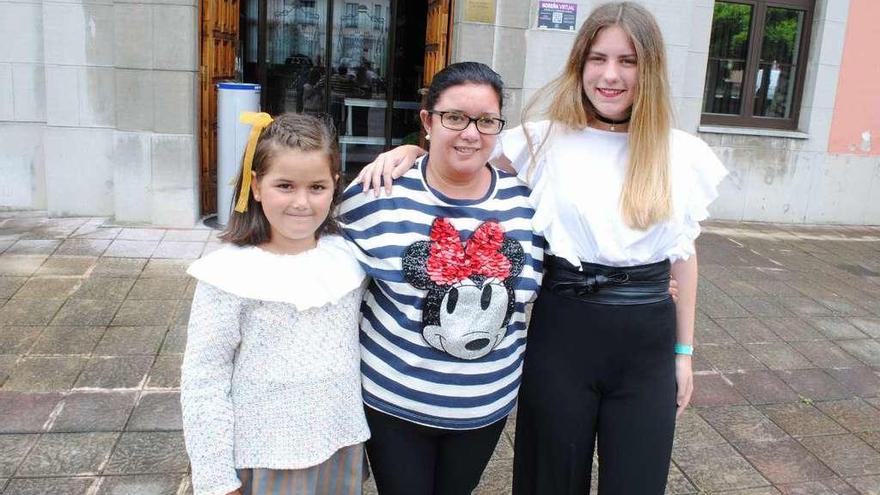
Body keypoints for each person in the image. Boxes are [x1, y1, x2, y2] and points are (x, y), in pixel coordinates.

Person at [355, 2, 728, 493]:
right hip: (564, 328)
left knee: (637, 479)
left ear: (651, 68)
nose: (610, 75)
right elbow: (467, 150)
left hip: (647, 339)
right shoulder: (540, 141)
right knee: (548, 478)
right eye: (598, 58)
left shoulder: (682, 154)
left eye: (628, 61)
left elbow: (684, 254)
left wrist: (684, 352)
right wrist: (411, 151)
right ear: (580, 64)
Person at [337, 62, 544, 495]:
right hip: (394, 404)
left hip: (484, 408)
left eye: (485, 120)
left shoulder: (528, 204)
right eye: (454, 117)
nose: (470, 132)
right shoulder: (376, 195)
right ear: (428, 121)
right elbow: (316, 263)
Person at [181, 112, 370, 495]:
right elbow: (203, 379)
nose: (301, 202)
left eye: (317, 187)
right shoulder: (227, 275)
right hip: (264, 455)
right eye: (284, 185)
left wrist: (410, 149)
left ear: (335, 186)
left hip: (339, 445)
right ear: (256, 186)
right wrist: (215, 477)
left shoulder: (348, 257)